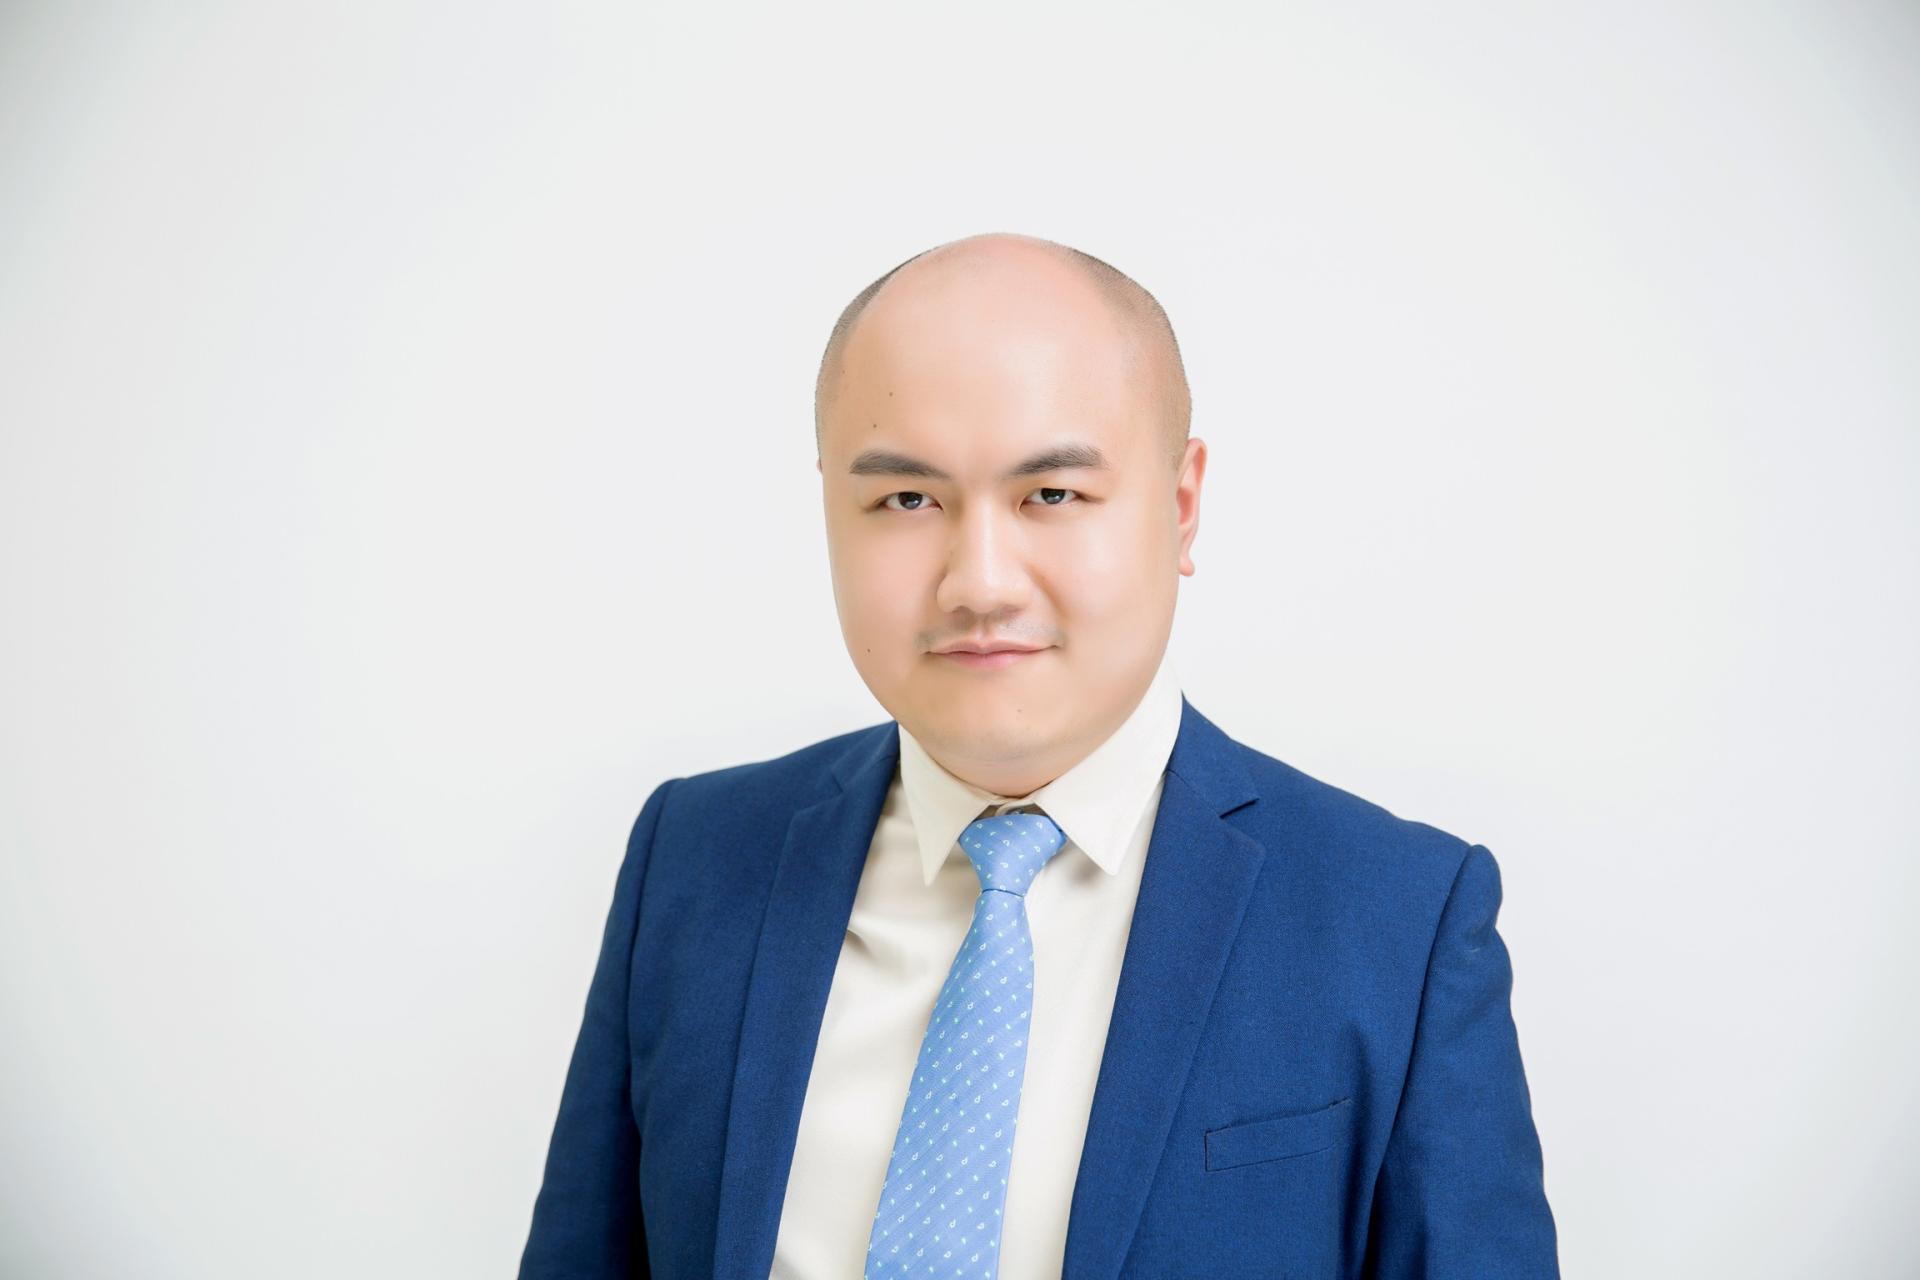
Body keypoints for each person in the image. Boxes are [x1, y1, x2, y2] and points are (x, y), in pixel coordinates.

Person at [518, 231, 1559, 1279]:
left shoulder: (1398, 920)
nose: (979, 581)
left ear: (1182, 506)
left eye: (1052, 495)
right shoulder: (692, 859)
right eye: (907, 500)